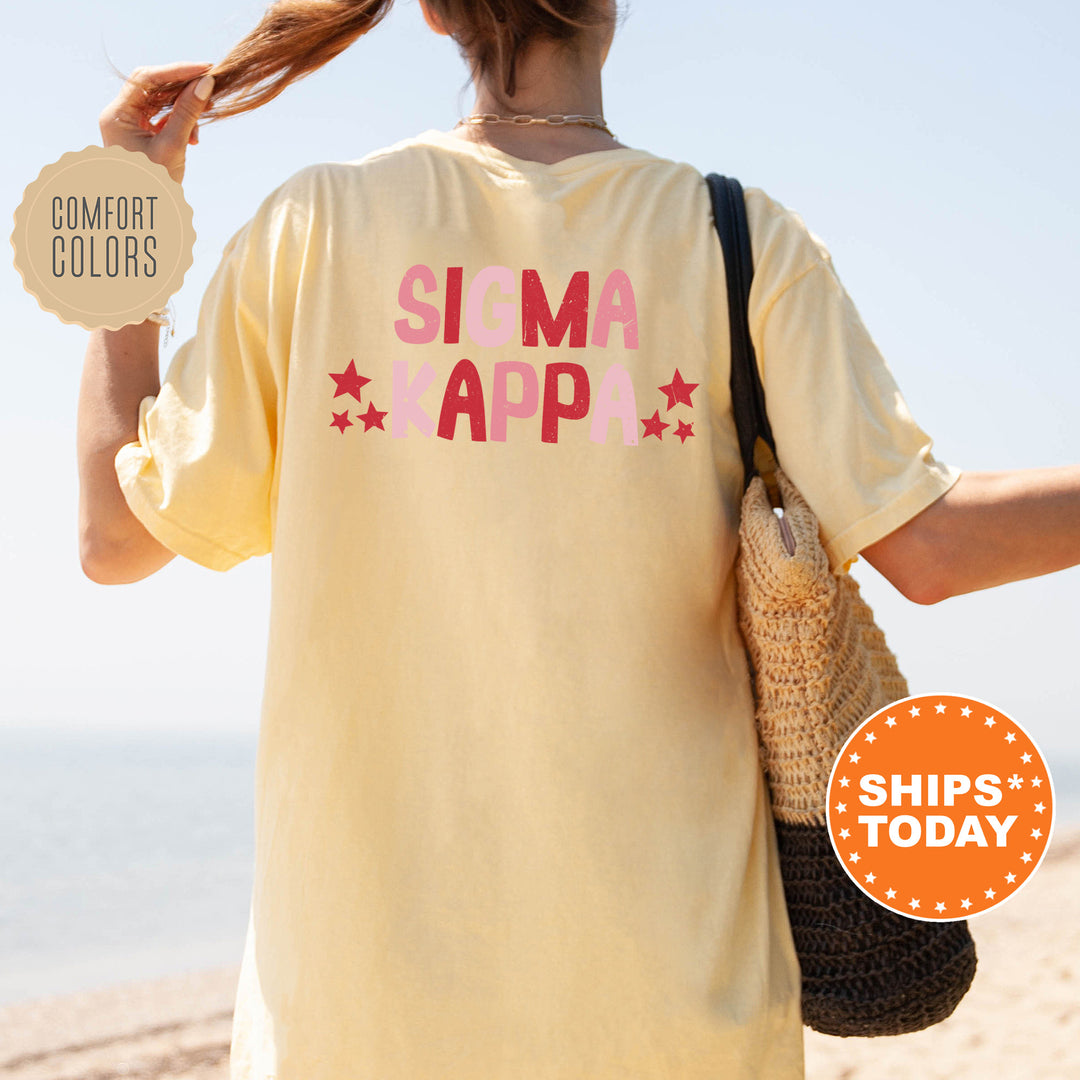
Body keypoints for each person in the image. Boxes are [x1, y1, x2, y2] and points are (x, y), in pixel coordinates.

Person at [77, 2, 1080, 1078]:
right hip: (674, 999)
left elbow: (115, 539)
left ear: (430, 13)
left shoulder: (315, 225)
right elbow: (929, 549)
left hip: (357, 1010)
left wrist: (129, 213)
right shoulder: (735, 239)